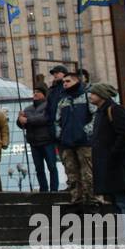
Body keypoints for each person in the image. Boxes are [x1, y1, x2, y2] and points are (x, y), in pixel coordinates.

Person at [88, 82, 125, 219]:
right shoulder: (101, 112)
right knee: (115, 201)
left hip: (115, 163)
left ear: (102, 95)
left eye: (94, 93)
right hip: (106, 163)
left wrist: (113, 153)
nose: (90, 96)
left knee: (123, 200)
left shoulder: (114, 110)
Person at [55, 71, 98, 208]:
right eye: (64, 82)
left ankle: (91, 200)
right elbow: (57, 120)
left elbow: (96, 115)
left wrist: (87, 131)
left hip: (84, 142)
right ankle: (76, 200)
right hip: (67, 142)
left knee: (88, 172)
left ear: (76, 81)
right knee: (71, 173)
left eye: (68, 81)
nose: (65, 84)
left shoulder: (86, 97)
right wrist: (60, 134)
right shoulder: (63, 101)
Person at [17, 84, 59, 192]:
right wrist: (19, 118)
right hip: (34, 143)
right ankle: (43, 189)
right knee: (39, 169)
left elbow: (44, 119)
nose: (35, 94)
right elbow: (22, 124)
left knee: (52, 167)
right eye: (34, 92)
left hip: (47, 141)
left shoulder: (48, 106)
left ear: (44, 95)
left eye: (38, 92)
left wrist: (27, 120)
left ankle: (54, 190)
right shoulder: (28, 108)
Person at [45, 65, 68, 131]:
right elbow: (48, 107)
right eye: (53, 73)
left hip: (65, 125)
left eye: (57, 72)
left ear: (64, 73)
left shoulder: (68, 88)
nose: (54, 74)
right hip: (53, 126)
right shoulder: (52, 90)